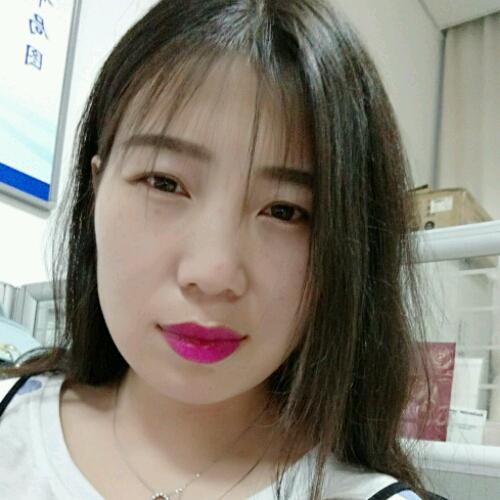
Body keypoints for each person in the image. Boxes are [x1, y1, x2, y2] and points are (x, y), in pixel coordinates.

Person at [0, 1, 443, 499]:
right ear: (96, 188)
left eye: (285, 211)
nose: (213, 273)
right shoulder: (13, 426)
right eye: (165, 183)